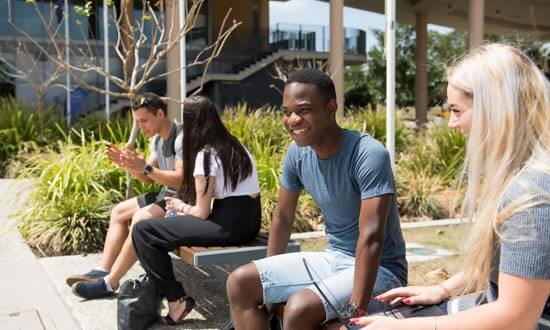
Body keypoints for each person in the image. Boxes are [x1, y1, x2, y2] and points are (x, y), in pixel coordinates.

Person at [352, 44, 550, 329]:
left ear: (493, 109)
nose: (452, 123)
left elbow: (516, 316)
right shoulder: (521, 177)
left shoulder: (532, 194)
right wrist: (443, 290)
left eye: (457, 110)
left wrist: (404, 327)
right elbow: (506, 269)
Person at [226, 68, 407, 329]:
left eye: (304, 110)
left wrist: (353, 312)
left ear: (331, 107)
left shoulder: (368, 153)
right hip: (334, 258)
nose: (292, 120)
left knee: (298, 309)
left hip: (384, 270)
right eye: (286, 112)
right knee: (240, 282)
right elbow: (283, 217)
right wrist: (268, 287)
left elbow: (371, 238)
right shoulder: (297, 154)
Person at [131, 95, 262, 325]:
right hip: (250, 222)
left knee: (144, 231)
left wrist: (180, 206)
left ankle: (176, 299)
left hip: (228, 227)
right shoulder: (237, 146)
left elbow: (201, 213)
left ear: (191, 124)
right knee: (158, 228)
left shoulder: (206, 154)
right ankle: (173, 296)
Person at [67, 93, 184, 299]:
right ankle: (103, 270)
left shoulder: (181, 137)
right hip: (165, 194)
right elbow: (148, 178)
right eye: (137, 122)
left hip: (181, 200)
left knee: (140, 220)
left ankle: (109, 283)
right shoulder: (156, 140)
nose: (141, 126)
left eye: (144, 120)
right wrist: (130, 165)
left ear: (160, 113)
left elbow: (179, 180)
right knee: (119, 212)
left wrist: (145, 167)